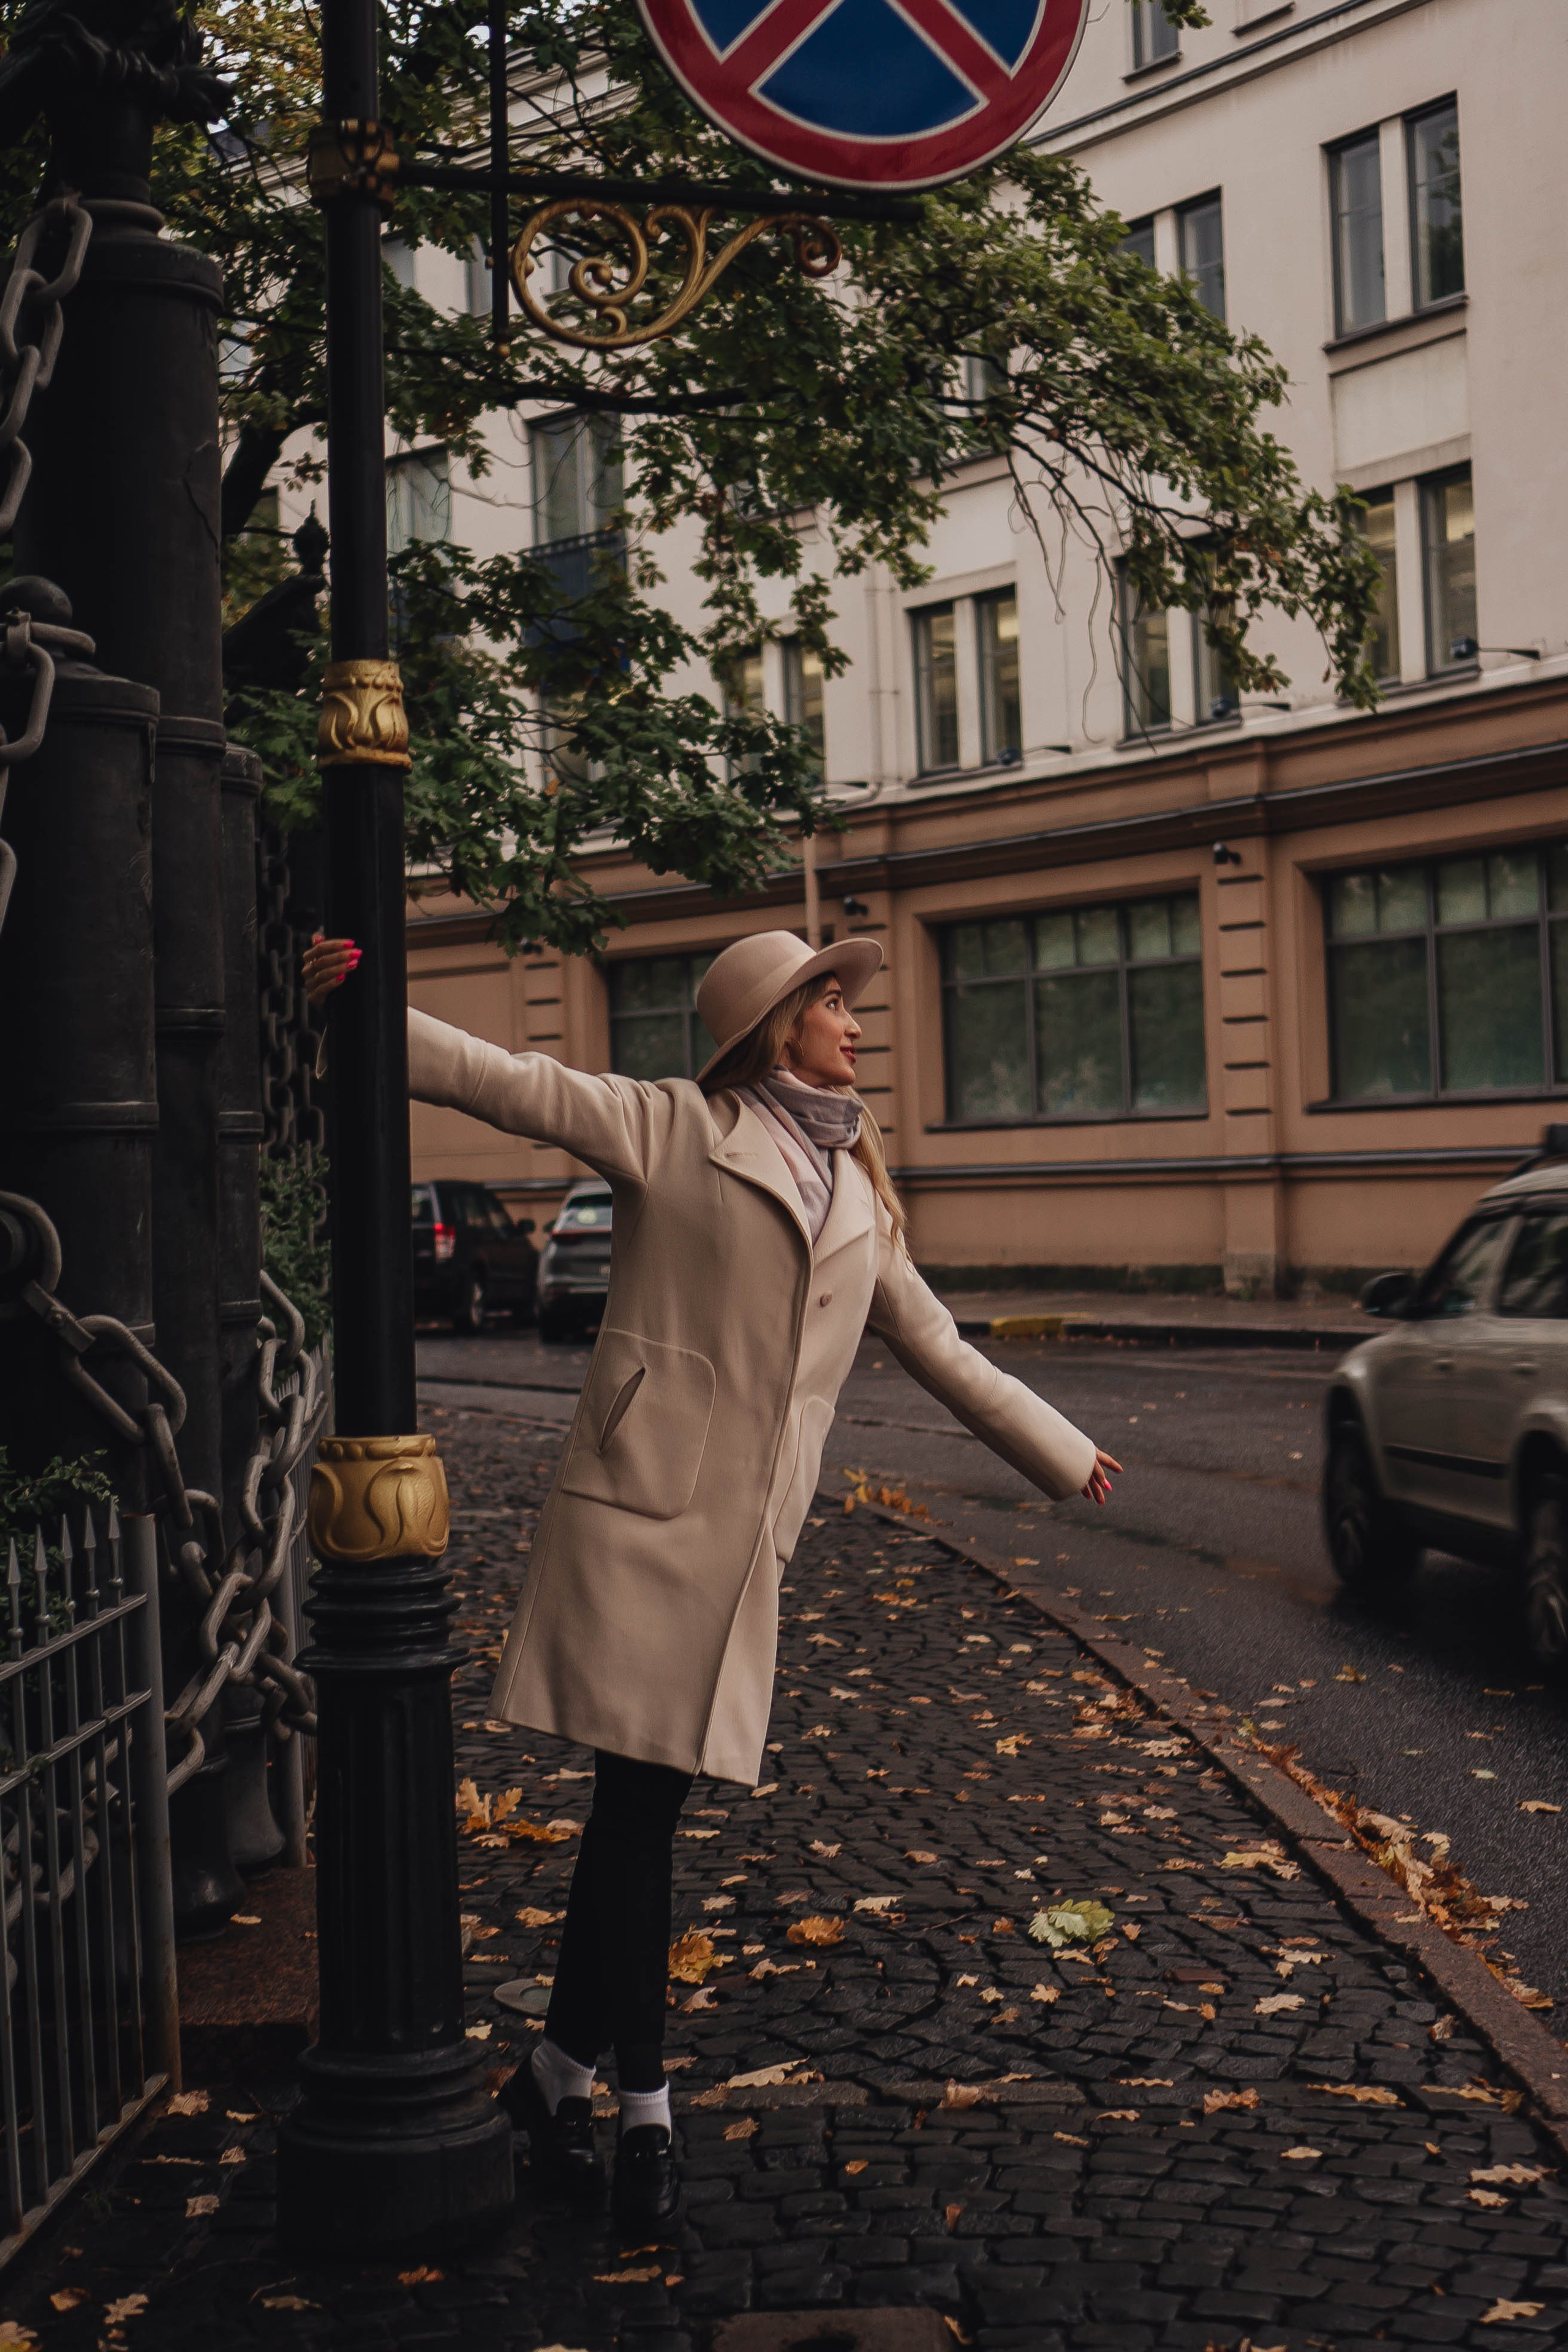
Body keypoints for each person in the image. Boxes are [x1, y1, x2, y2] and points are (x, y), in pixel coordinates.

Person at [303, 926, 1120, 2230]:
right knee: (637, 1820)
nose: (855, 1022)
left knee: (634, 1823)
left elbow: (941, 1349)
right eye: (833, 1003)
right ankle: (645, 2113)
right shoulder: (674, 1127)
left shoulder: (858, 1190)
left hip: (746, 1550)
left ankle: (556, 2079)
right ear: (775, 1024)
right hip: (638, 1521)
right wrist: (362, 1009)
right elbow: (505, 1081)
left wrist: (1061, 1450)